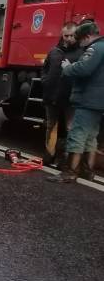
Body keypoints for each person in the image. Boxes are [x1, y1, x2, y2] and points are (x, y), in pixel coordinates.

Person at [49, 21, 104, 183]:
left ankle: (70, 172)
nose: (80, 44)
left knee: (77, 135)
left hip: (87, 99)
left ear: (87, 36)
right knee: (90, 137)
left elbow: (83, 69)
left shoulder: (95, 48)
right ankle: (87, 171)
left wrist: (67, 67)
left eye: (81, 40)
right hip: (98, 101)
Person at [41, 22, 82, 165]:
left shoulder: (81, 53)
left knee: (70, 128)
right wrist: (45, 80)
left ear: (76, 35)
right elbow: (45, 68)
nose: (68, 38)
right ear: (62, 35)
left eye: (72, 35)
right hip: (52, 96)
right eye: (66, 35)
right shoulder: (54, 51)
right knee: (51, 126)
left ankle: (65, 159)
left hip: (71, 98)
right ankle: (49, 155)